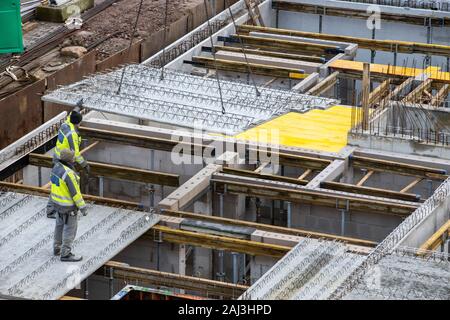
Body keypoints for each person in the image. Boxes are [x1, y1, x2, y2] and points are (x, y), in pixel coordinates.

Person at [47, 106, 90, 218]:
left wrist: (77, 106)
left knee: (60, 182)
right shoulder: (72, 134)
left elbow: (72, 114)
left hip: (59, 158)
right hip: (62, 160)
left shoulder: (66, 124)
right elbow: (75, 153)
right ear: (78, 123)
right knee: (61, 183)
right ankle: (51, 210)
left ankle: (51, 209)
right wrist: (84, 164)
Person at [49, 148, 88, 262]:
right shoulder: (69, 174)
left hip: (57, 204)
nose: (74, 161)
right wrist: (83, 208)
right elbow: (75, 193)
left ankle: (57, 248)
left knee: (59, 226)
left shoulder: (56, 168)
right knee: (70, 229)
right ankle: (65, 254)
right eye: (72, 159)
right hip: (68, 207)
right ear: (69, 161)